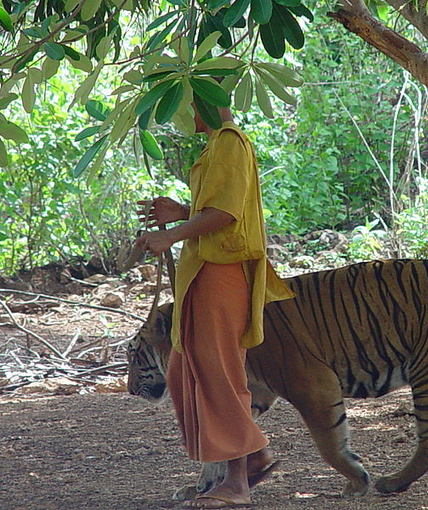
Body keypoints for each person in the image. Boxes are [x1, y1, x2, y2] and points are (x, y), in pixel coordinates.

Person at [135, 106, 294, 509]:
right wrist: (181, 213)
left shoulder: (228, 142)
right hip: (203, 274)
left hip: (221, 274)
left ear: (205, 100)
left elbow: (226, 214)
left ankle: (237, 483)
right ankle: (252, 456)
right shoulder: (215, 146)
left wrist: (171, 235)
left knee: (219, 372)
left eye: (188, 103)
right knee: (184, 368)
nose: (183, 114)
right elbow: (221, 210)